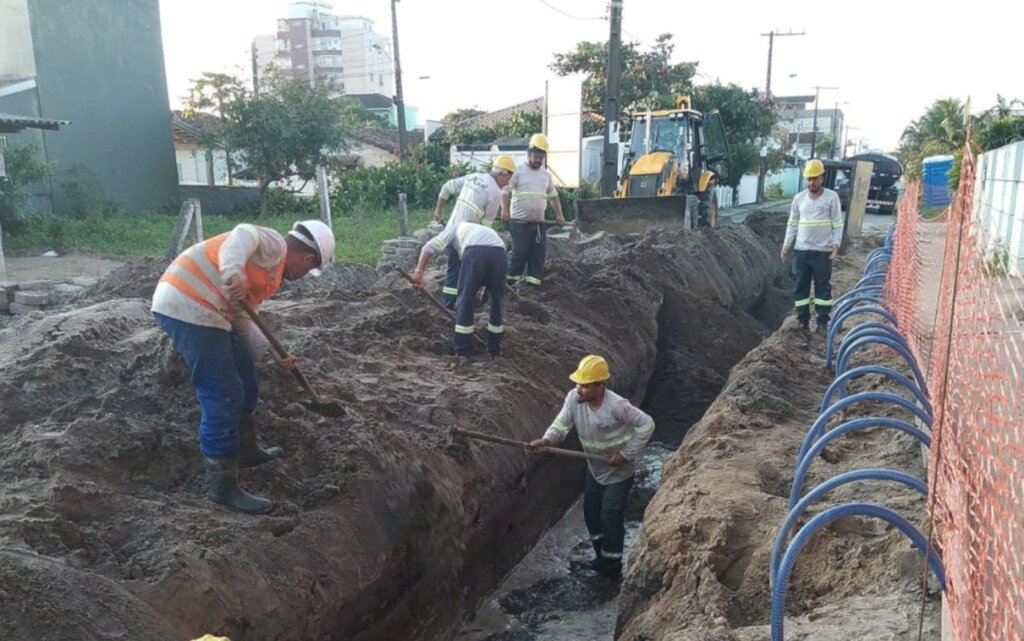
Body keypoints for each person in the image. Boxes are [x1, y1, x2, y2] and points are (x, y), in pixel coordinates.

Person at [152, 220, 336, 514]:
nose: (303, 276)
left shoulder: (269, 277)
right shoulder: (274, 245)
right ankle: (222, 487)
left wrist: (273, 354)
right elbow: (240, 235)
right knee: (224, 393)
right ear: (307, 258)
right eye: (308, 270)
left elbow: (244, 321)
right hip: (186, 303)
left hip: (212, 314)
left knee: (246, 378)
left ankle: (247, 450)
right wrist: (232, 270)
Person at [528, 355, 655, 578]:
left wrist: (625, 454)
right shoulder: (573, 399)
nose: (580, 389)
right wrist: (546, 440)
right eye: (578, 383)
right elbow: (561, 424)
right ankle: (601, 558)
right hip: (595, 468)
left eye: (585, 386)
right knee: (591, 515)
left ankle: (613, 568)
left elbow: (647, 424)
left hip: (619, 471)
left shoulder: (617, 406)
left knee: (610, 515)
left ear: (600, 385)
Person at [411, 220, 507, 358]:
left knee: (465, 300)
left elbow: (428, 247)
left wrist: (419, 273)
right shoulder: (477, 229)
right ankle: (494, 349)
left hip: (475, 252)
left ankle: (463, 350)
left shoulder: (453, 229)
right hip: (499, 252)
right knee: (497, 301)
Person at [430, 156, 516, 309]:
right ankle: (467, 304)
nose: (508, 182)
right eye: (507, 178)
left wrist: (438, 210)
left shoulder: (473, 177)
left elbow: (446, 188)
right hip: (470, 240)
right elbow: (486, 226)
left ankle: (449, 305)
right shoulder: (495, 192)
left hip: (452, 231)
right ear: (500, 174)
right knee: (469, 272)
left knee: (453, 270)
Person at [781, 158, 844, 333]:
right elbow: (792, 224)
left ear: (822, 178)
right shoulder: (798, 199)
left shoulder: (831, 198)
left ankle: (822, 322)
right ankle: (803, 320)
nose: (811, 182)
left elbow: (837, 223)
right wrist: (787, 245)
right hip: (801, 251)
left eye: (815, 178)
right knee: (801, 287)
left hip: (822, 252)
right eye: (809, 179)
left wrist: (836, 244)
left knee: (822, 288)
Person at [501, 133, 566, 288]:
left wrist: (560, 215)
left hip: (538, 224)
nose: (538, 160)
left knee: (537, 258)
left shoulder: (546, 175)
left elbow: (553, 196)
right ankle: (507, 286)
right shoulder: (517, 171)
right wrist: (504, 211)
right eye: (536, 157)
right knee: (520, 255)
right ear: (529, 154)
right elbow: (505, 191)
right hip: (520, 223)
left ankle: (532, 288)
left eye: (541, 157)